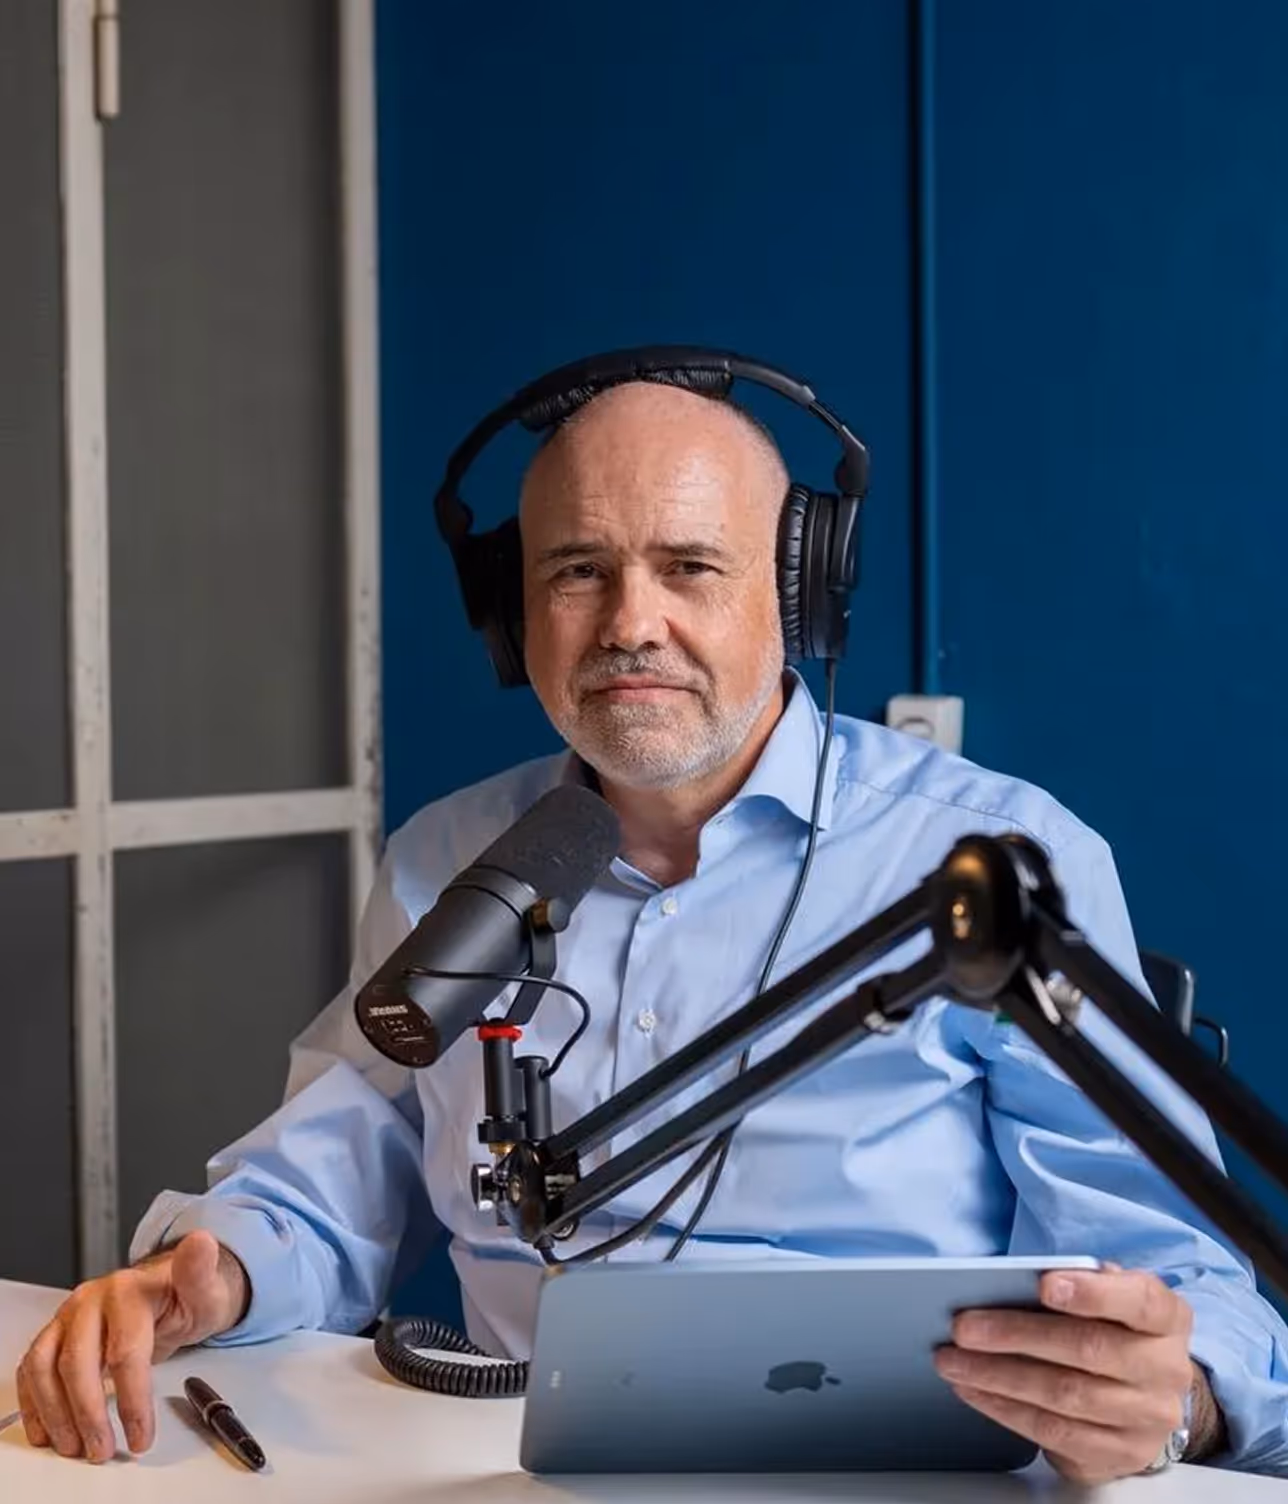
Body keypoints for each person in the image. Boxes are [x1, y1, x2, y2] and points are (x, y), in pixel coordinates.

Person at [15, 379, 1288, 1483]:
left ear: (795, 594)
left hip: (908, 1482)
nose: (630, 622)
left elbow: (1178, 1274)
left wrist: (1177, 1398)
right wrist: (210, 1270)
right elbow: (335, 1169)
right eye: (578, 570)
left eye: (689, 566)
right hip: (517, 1474)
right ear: (513, 612)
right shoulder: (449, 861)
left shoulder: (991, 866)